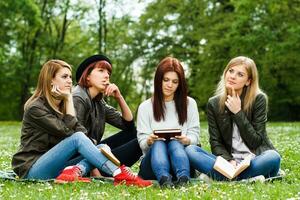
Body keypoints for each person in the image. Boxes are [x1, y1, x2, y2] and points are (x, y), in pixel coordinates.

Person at [11, 59, 152, 187]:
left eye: (70, 77)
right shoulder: (36, 107)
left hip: (55, 166)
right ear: (51, 80)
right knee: (80, 139)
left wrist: (67, 101)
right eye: (64, 77)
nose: (69, 81)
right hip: (33, 168)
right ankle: (118, 174)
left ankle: (76, 171)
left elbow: (81, 132)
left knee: (100, 146)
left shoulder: (63, 104)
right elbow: (69, 132)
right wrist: (69, 99)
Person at [185, 56, 281, 181]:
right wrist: (228, 160)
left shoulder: (259, 99)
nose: (232, 76)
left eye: (240, 74)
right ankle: (247, 179)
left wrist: (238, 112)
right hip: (228, 163)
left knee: (273, 157)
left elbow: (256, 141)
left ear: (248, 81)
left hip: (254, 159)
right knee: (191, 150)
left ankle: (223, 178)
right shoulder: (214, 103)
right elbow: (216, 142)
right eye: (231, 71)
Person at [137, 57, 200, 187]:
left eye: (175, 82)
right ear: (158, 79)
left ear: (180, 84)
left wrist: (186, 140)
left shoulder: (190, 104)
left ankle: (183, 178)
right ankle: (164, 179)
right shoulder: (145, 107)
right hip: (152, 165)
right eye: (166, 80)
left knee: (174, 143)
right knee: (159, 142)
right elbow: (142, 143)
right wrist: (149, 140)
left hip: (180, 159)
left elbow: (195, 135)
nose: (169, 85)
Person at [73, 55, 142, 174]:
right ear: (87, 76)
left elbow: (128, 126)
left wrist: (119, 97)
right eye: (101, 71)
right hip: (77, 161)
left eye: (108, 73)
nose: (107, 76)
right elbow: (76, 140)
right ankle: (105, 170)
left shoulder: (98, 101)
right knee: (139, 141)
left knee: (136, 134)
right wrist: (96, 172)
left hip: (93, 153)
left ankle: (108, 169)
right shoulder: (78, 97)